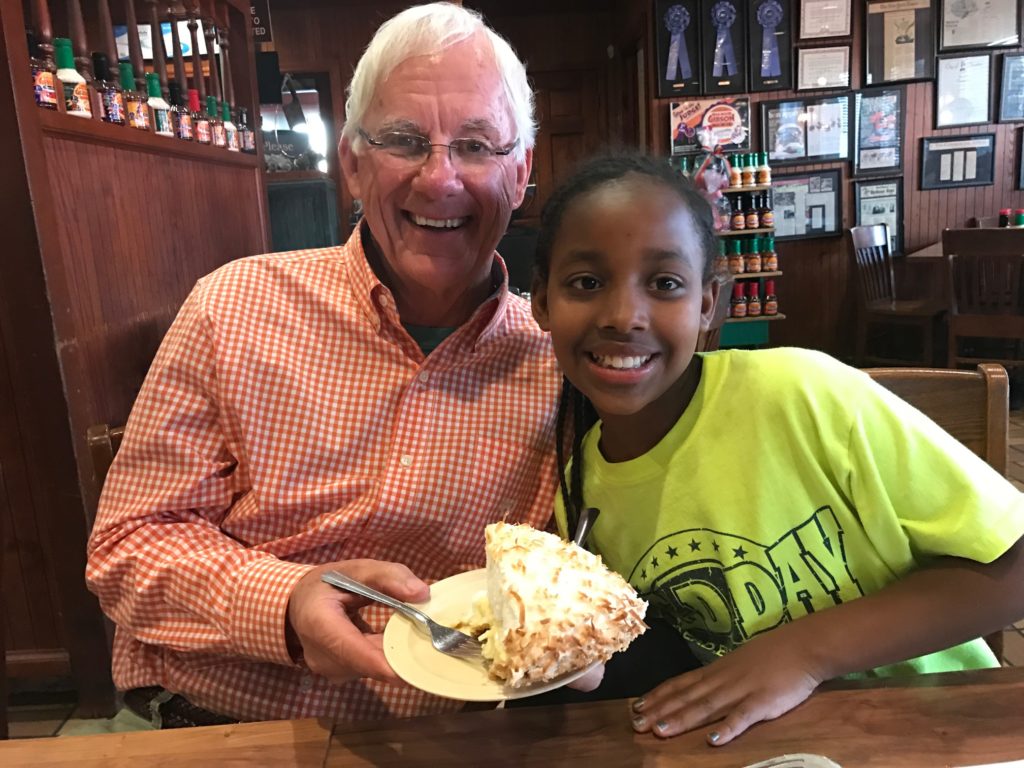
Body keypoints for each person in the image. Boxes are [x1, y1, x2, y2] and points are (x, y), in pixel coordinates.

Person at [86, 3, 560, 726]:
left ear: (521, 171)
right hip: (224, 724)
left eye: (476, 145)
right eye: (405, 140)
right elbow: (125, 549)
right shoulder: (233, 307)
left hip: (445, 740)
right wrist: (283, 600)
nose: (440, 179)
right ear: (351, 163)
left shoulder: (561, 365)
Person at [527, 152, 1024, 744]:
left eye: (665, 284)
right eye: (587, 283)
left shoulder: (801, 393)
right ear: (541, 304)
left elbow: (1014, 568)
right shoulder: (581, 495)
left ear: (708, 304)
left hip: (936, 728)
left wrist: (805, 653)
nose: (623, 315)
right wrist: (575, 660)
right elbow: (662, 651)